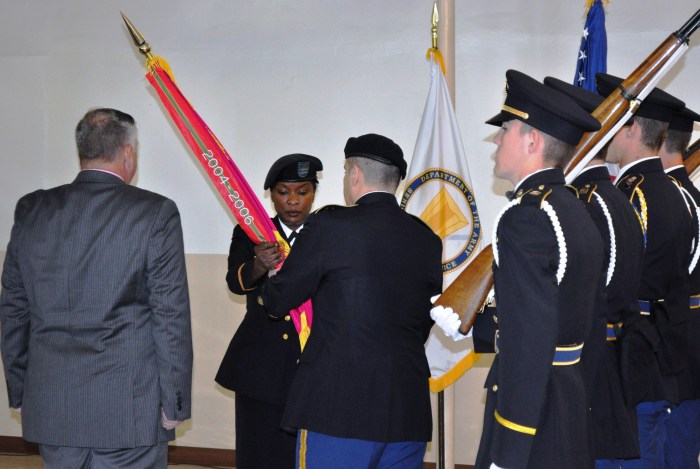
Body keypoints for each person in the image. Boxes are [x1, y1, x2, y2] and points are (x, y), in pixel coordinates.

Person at [0, 108, 193, 468]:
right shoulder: (155, 213)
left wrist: (20, 388)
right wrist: (175, 401)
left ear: (82, 152)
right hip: (129, 410)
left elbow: (14, 307)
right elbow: (170, 317)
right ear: (128, 153)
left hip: (53, 404)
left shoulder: (31, 209)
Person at [434, 70, 605, 469]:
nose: (496, 140)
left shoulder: (526, 217)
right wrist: (473, 324)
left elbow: (530, 338)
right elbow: (564, 316)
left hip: (533, 418)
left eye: (506, 128)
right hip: (567, 403)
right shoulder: (572, 208)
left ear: (533, 140)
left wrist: (509, 450)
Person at [260, 134, 443, 469]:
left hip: (337, 408)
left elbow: (278, 301)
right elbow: (423, 322)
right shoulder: (427, 239)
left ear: (354, 174)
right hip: (406, 408)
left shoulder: (329, 225)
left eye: (346, 173)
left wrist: (273, 277)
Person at [544, 76, 645, 467]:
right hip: (604, 358)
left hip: (593, 363)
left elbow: (600, 295)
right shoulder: (607, 196)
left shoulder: (593, 201)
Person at [596, 73, 692, 469]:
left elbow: (612, 279)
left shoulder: (628, 196)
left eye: (613, 122)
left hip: (626, 356)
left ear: (631, 128)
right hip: (661, 350)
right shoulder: (679, 194)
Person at [215, 153, 323, 469]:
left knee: (305, 453)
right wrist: (257, 266)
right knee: (258, 450)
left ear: (314, 193)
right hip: (261, 361)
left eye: (302, 192)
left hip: (310, 358)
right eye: (283, 192)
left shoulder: (327, 231)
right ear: (271, 195)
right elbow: (235, 283)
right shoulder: (252, 232)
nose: (293, 201)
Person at [657, 104, 700, 469]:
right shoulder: (690, 196)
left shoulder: (667, 200)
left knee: (671, 446)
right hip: (690, 335)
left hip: (673, 339)